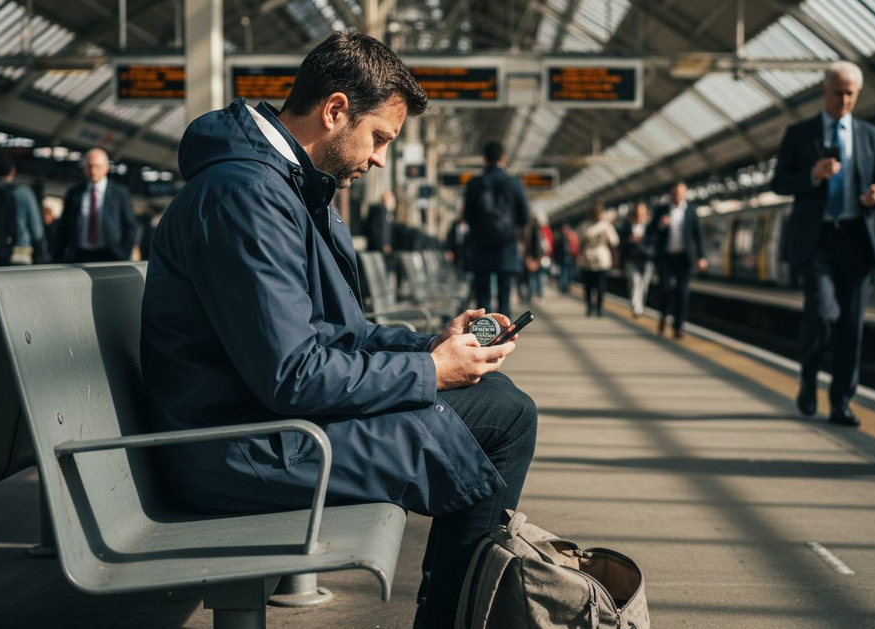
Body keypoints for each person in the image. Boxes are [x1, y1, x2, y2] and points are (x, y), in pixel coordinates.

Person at [139, 33, 537, 629]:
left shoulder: (288, 188)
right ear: (334, 111)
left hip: (263, 425)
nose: (379, 159)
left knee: (496, 404)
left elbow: (336, 334)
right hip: (237, 448)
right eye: (379, 137)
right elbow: (295, 375)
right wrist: (431, 371)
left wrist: (433, 344)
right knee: (502, 419)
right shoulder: (246, 196)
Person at [771, 61, 875, 428]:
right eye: (838, 92)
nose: (844, 99)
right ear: (824, 92)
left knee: (851, 326)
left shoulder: (871, 135)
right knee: (823, 314)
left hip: (856, 237)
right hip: (817, 239)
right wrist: (811, 175)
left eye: (850, 93)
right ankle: (808, 377)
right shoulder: (798, 133)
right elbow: (778, 182)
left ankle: (841, 402)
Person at [464, 141, 529, 319]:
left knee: (482, 300)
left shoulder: (475, 183)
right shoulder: (514, 183)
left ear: (484, 159)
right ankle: (504, 338)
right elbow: (524, 217)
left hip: (480, 247)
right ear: (503, 158)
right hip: (506, 248)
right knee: (504, 298)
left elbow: (467, 216)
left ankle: (482, 339)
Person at [56, 148, 137, 263]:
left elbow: (130, 226)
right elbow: (63, 226)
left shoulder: (120, 193)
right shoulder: (74, 193)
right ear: (84, 168)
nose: (93, 171)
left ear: (106, 168)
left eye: (97, 166)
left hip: (111, 254)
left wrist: (124, 254)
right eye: (89, 166)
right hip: (80, 255)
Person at [647, 184, 706, 338]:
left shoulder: (691, 212)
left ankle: (679, 326)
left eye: (680, 193)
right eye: (674, 193)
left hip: (683, 258)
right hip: (665, 257)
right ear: (670, 194)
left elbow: (698, 236)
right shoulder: (661, 210)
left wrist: (702, 256)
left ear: (685, 194)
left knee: (682, 293)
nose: (677, 196)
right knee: (664, 289)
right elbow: (650, 232)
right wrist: (661, 224)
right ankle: (663, 319)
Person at [578, 203, 619, 317]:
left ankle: (596, 307)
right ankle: (593, 307)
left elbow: (614, 240)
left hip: (596, 257)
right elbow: (614, 241)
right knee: (591, 286)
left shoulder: (601, 225)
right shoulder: (600, 225)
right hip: (593, 257)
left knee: (597, 286)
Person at [620, 202, 655, 318]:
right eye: (637, 212)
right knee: (635, 282)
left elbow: (655, 241)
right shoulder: (627, 225)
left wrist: (641, 242)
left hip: (647, 259)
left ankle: (640, 306)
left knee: (644, 284)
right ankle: (636, 308)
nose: (639, 215)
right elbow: (621, 242)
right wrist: (630, 240)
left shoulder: (651, 226)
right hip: (631, 258)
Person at [557, 223, 580, 293]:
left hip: (570, 256)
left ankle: (567, 285)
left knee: (569, 271)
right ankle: (565, 286)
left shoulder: (571, 236)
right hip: (564, 256)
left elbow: (576, 245)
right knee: (564, 271)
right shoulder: (561, 237)